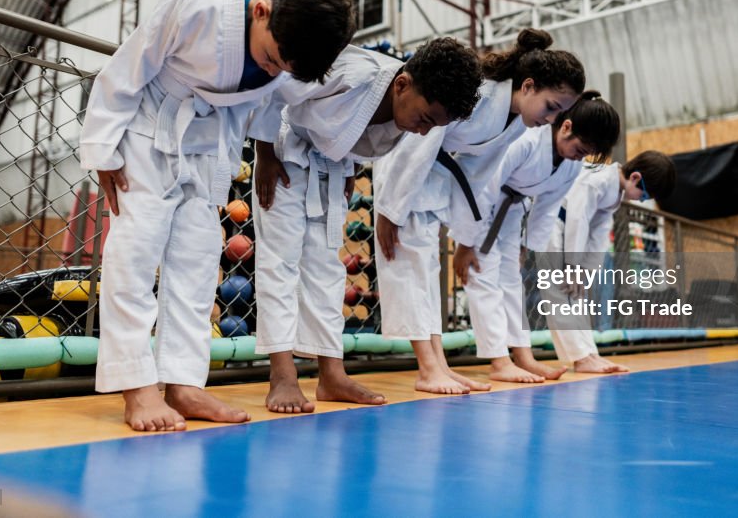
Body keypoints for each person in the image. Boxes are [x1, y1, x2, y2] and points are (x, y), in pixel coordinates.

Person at [79, 0, 356, 432]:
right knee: (136, 253)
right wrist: (104, 150)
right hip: (148, 132)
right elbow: (125, 69)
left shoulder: (287, 49)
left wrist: (260, 154)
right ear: (260, 10)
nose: (272, 71)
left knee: (199, 261)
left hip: (209, 148)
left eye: (282, 69)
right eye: (271, 58)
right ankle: (137, 386)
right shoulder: (197, 9)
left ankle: (184, 383)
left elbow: (267, 105)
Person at [250, 39, 483, 413]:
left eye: (433, 126)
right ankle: (282, 377)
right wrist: (263, 155)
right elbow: (276, 84)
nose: (423, 132)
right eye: (425, 119)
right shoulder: (354, 73)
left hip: (330, 169)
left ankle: (332, 375)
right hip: (283, 155)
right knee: (279, 265)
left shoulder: (408, 108)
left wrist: (351, 165)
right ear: (403, 84)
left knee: (327, 270)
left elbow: (356, 137)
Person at [373, 28, 585, 394]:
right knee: (408, 268)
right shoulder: (482, 94)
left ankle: (439, 364)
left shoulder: (516, 123)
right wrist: (390, 208)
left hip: (436, 184)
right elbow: (419, 139)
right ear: (529, 86)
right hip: (404, 169)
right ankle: (427, 368)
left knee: (427, 271)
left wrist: (467, 237)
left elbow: (477, 177)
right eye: (552, 107)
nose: (552, 119)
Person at [452, 92, 620, 383]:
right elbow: (486, 187)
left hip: (513, 212)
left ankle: (524, 357)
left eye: (587, 153)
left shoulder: (571, 163)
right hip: (481, 206)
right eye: (581, 148)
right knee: (483, 279)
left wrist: (525, 247)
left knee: (512, 284)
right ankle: (499, 360)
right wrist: (465, 242)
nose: (581, 156)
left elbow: (547, 208)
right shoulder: (528, 138)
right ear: (566, 127)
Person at [547, 150, 676, 373]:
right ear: (635, 177)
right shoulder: (598, 181)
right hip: (553, 222)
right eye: (643, 195)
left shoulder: (613, 192)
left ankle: (589, 353)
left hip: (570, 231)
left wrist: (586, 272)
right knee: (559, 290)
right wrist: (573, 266)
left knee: (578, 293)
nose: (640, 200)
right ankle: (580, 358)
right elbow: (576, 220)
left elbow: (599, 234)